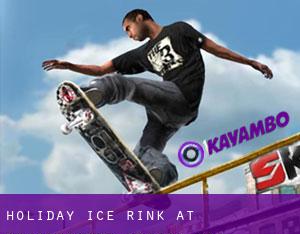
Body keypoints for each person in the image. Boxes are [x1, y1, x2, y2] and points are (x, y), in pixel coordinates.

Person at [42, 9, 273, 191]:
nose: (129, 35)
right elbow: (102, 68)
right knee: (142, 155)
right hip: (172, 115)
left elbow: (216, 49)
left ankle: (88, 101)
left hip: (181, 94)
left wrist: (251, 62)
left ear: (140, 18)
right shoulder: (141, 54)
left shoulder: (179, 29)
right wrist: (70, 65)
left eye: (128, 28)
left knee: (122, 84)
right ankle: (160, 176)